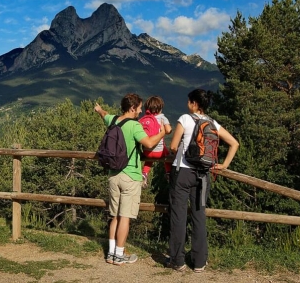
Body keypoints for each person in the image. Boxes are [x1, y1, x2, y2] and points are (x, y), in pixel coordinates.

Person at [167, 89, 239, 273]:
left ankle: (178, 261)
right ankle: (199, 262)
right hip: (203, 175)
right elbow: (234, 143)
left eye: (189, 101)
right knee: (199, 216)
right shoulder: (213, 123)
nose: (187, 104)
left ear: (193, 103)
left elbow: (174, 146)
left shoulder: (185, 118)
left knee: (179, 216)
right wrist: (223, 165)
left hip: (182, 173)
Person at [94, 94, 165, 266]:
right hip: (130, 176)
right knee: (125, 216)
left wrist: (99, 109)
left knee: (115, 216)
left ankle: (111, 254)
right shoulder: (135, 126)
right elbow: (148, 144)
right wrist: (163, 132)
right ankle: (119, 255)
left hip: (113, 175)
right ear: (132, 108)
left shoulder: (114, 120)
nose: (141, 110)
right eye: (139, 107)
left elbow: (104, 114)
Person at [140, 95, 173, 188]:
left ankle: (144, 173)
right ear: (160, 108)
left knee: (149, 161)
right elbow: (168, 130)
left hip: (146, 152)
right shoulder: (162, 118)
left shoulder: (145, 119)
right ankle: (168, 172)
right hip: (159, 152)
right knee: (167, 155)